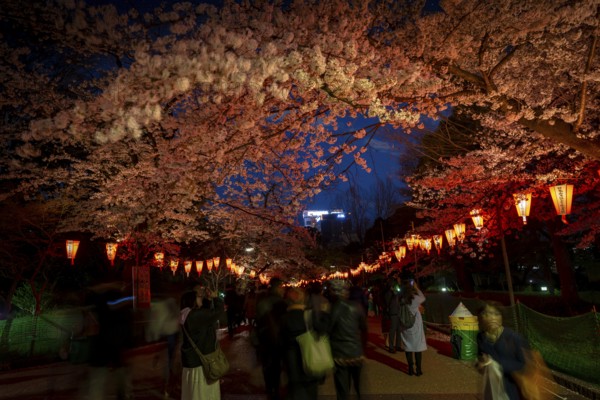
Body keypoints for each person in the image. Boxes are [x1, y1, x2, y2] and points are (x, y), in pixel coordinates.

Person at [476, 301, 528, 400]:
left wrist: (497, 365)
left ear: (501, 318)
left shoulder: (514, 338)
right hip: (492, 387)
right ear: (480, 318)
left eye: (496, 314)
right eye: (486, 314)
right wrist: (480, 364)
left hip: (512, 388)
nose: (492, 318)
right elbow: (480, 356)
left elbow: (524, 365)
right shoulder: (480, 337)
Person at [326, 279, 367, 400]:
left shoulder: (333, 308)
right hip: (356, 351)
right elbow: (364, 328)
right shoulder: (357, 306)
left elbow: (328, 329)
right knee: (359, 386)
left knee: (343, 388)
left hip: (340, 354)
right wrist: (363, 348)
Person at [180, 288, 224, 400]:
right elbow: (215, 314)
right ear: (192, 300)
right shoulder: (194, 316)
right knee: (202, 393)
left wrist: (208, 301)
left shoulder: (187, 314)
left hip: (193, 361)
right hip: (200, 363)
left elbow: (205, 316)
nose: (201, 298)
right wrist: (216, 298)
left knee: (193, 392)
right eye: (199, 297)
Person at [280, 286, 323, 399]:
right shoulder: (309, 316)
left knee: (296, 391)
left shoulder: (284, 318)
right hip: (311, 359)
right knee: (311, 391)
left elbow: (281, 341)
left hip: (292, 364)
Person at [255, 277, 288, 400]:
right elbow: (285, 322)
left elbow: (258, 319)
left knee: (267, 364)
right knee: (276, 364)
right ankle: (275, 388)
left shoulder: (263, 301)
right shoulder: (282, 303)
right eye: (281, 287)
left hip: (264, 337)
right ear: (278, 287)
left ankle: (269, 387)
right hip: (278, 338)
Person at [399, 280, 427, 376]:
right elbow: (423, 298)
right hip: (415, 324)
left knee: (408, 346)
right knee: (417, 347)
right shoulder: (415, 298)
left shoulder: (401, 299)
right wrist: (416, 287)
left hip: (405, 324)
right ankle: (418, 369)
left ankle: (410, 369)